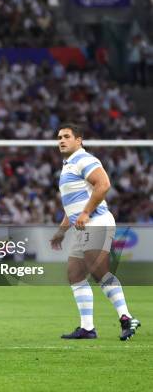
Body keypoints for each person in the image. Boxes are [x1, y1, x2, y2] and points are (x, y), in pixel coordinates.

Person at [50, 124, 140, 341]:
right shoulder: (68, 165)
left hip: (97, 221)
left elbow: (104, 184)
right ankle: (87, 328)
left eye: (66, 136)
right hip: (85, 225)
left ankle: (127, 318)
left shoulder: (84, 159)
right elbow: (72, 207)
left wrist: (87, 212)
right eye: (59, 137)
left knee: (98, 271)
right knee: (75, 274)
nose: (61, 140)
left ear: (79, 140)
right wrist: (61, 231)